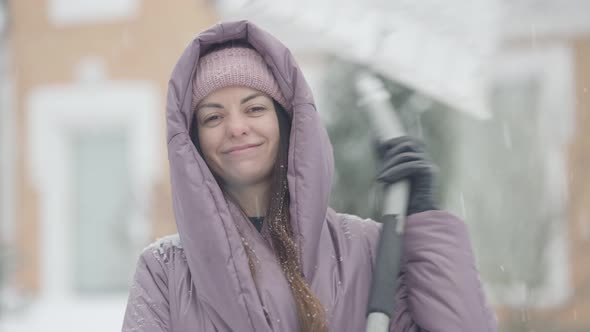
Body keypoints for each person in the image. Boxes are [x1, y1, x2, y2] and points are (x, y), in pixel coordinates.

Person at [122, 20, 497, 332]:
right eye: (213, 117)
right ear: (193, 143)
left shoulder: (367, 250)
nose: (236, 127)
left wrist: (427, 227)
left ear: (287, 123)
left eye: (254, 108)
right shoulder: (165, 272)